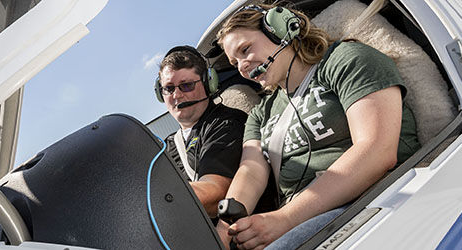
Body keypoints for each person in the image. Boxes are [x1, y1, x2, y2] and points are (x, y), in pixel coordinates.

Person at [214, 4, 420, 249]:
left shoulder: (346, 60)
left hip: (371, 194)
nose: (242, 66)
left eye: (245, 49)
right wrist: (224, 231)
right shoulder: (262, 112)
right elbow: (250, 172)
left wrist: (284, 219)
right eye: (234, 61)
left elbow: (377, 151)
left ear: (280, 30)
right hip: (301, 216)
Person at [154, 45, 247, 219]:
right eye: (169, 88)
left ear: (208, 83)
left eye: (186, 85)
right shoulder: (166, 147)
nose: (177, 95)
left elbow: (216, 195)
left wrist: (153, 199)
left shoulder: (226, 124)